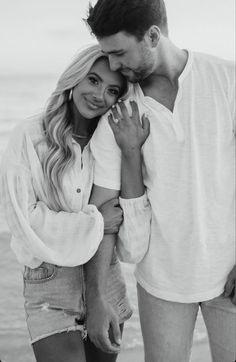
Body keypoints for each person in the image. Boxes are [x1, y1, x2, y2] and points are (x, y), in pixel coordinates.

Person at [84, 1, 236, 361]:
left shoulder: (228, 80)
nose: (114, 66)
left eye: (119, 53)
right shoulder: (118, 114)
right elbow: (103, 212)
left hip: (230, 275)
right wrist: (98, 298)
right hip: (161, 281)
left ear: (153, 35)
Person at [0, 43, 150, 362]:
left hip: (106, 278)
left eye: (112, 90)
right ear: (76, 77)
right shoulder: (30, 135)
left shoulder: (109, 143)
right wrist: (97, 223)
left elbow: (128, 229)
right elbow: (24, 220)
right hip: (49, 283)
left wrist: (130, 152)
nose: (99, 95)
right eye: (93, 80)